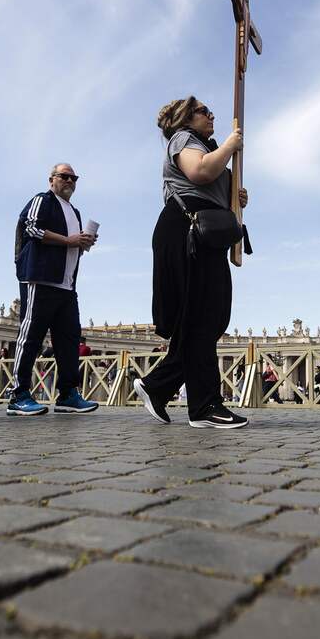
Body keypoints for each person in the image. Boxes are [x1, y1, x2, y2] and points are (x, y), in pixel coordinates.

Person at [133, 96, 249, 428]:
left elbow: (218, 189)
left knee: (208, 317)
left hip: (204, 233)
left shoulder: (207, 149)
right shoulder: (184, 140)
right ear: (185, 119)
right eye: (203, 111)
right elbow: (198, 171)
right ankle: (203, 405)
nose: (211, 114)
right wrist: (230, 143)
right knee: (202, 315)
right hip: (186, 229)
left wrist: (235, 197)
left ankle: (162, 388)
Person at [9, 163, 99, 416]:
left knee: (69, 340)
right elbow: (31, 228)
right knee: (31, 337)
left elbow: (71, 246)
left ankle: (68, 394)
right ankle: (19, 394)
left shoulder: (75, 212)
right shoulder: (42, 200)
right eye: (64, 176)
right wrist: (69, 240)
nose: (69, 181)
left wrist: (83, 242)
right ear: (51, 180)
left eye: (74, 178)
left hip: (67, 285)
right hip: (40, 278)